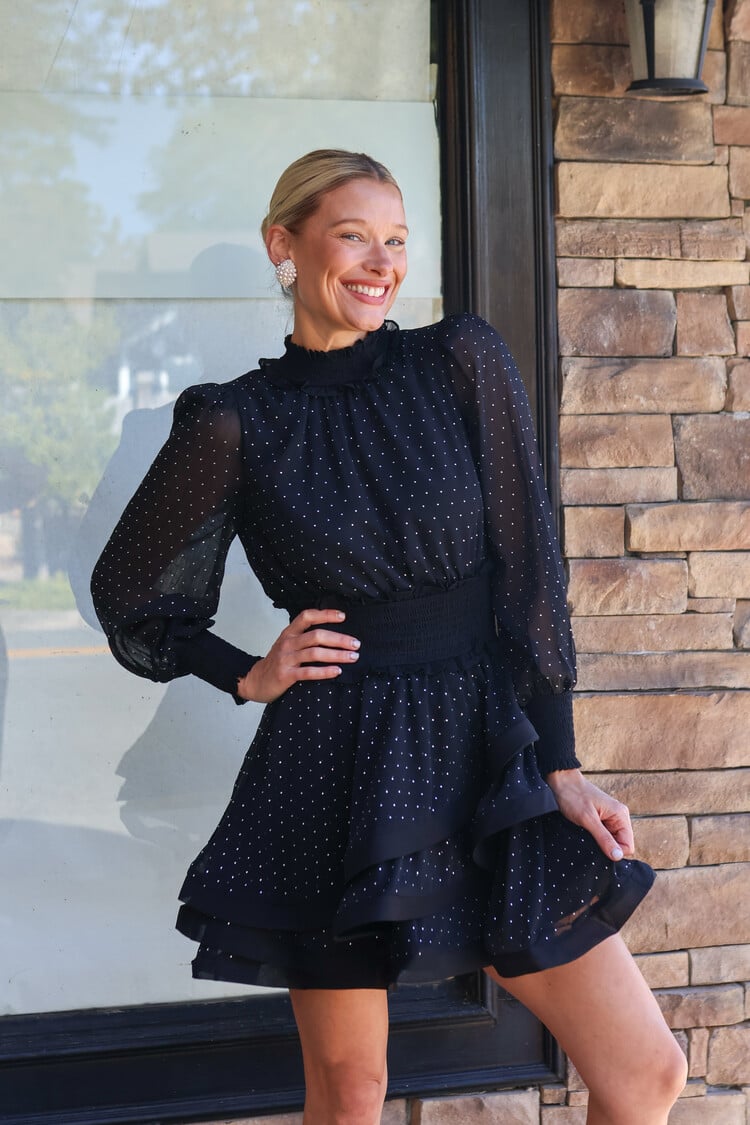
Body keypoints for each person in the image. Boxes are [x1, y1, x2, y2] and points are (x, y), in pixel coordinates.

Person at [91, 149, 687, 1125]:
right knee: (352, 1092)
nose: (382, 263)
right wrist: (246, 673)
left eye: (397, 240)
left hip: (485, 742)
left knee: (644, 1072)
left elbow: (530, 574)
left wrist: (564, 764)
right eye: (354, 236)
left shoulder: (459, 361)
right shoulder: (233, 421)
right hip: (335, 760)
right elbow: (129, 589)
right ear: (284, 245)